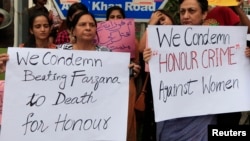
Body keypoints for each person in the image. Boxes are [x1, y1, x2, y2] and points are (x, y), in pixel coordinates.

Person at [143, 0, 217, 140]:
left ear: (204, 14)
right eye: (182, 11)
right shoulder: (167, 41)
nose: (186, 16)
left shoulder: (219, 42)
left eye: (191, 11)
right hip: (172, 119)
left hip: (201, 119)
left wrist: (244, 54)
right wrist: (150, 60)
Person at [0, 11, 55, 133]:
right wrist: (7, 69)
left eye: (46, 26)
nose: (42, 30)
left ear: (50, 28)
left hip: (50, 105)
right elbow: (16, 79)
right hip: (26, 105)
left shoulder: (58, 53)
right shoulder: (21, 52)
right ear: (31, 30)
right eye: (37, 26)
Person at [104, 6, 140, 141]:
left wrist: (134, 70)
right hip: (104, 89)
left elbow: (137, 64)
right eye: (112, 17)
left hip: (126, 87)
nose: (115, 20)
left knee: (125, 122)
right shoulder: (97, 40)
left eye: (119, 17)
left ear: (124, 20)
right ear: (106, 20)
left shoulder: (133, 41)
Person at [138, 9, 174, 141]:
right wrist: (151, 25)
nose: (160, 22)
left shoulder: (182, 34)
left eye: (162, 18)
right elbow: (141, 49)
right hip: (155, 92)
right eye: (157, 20)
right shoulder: (152, 36)